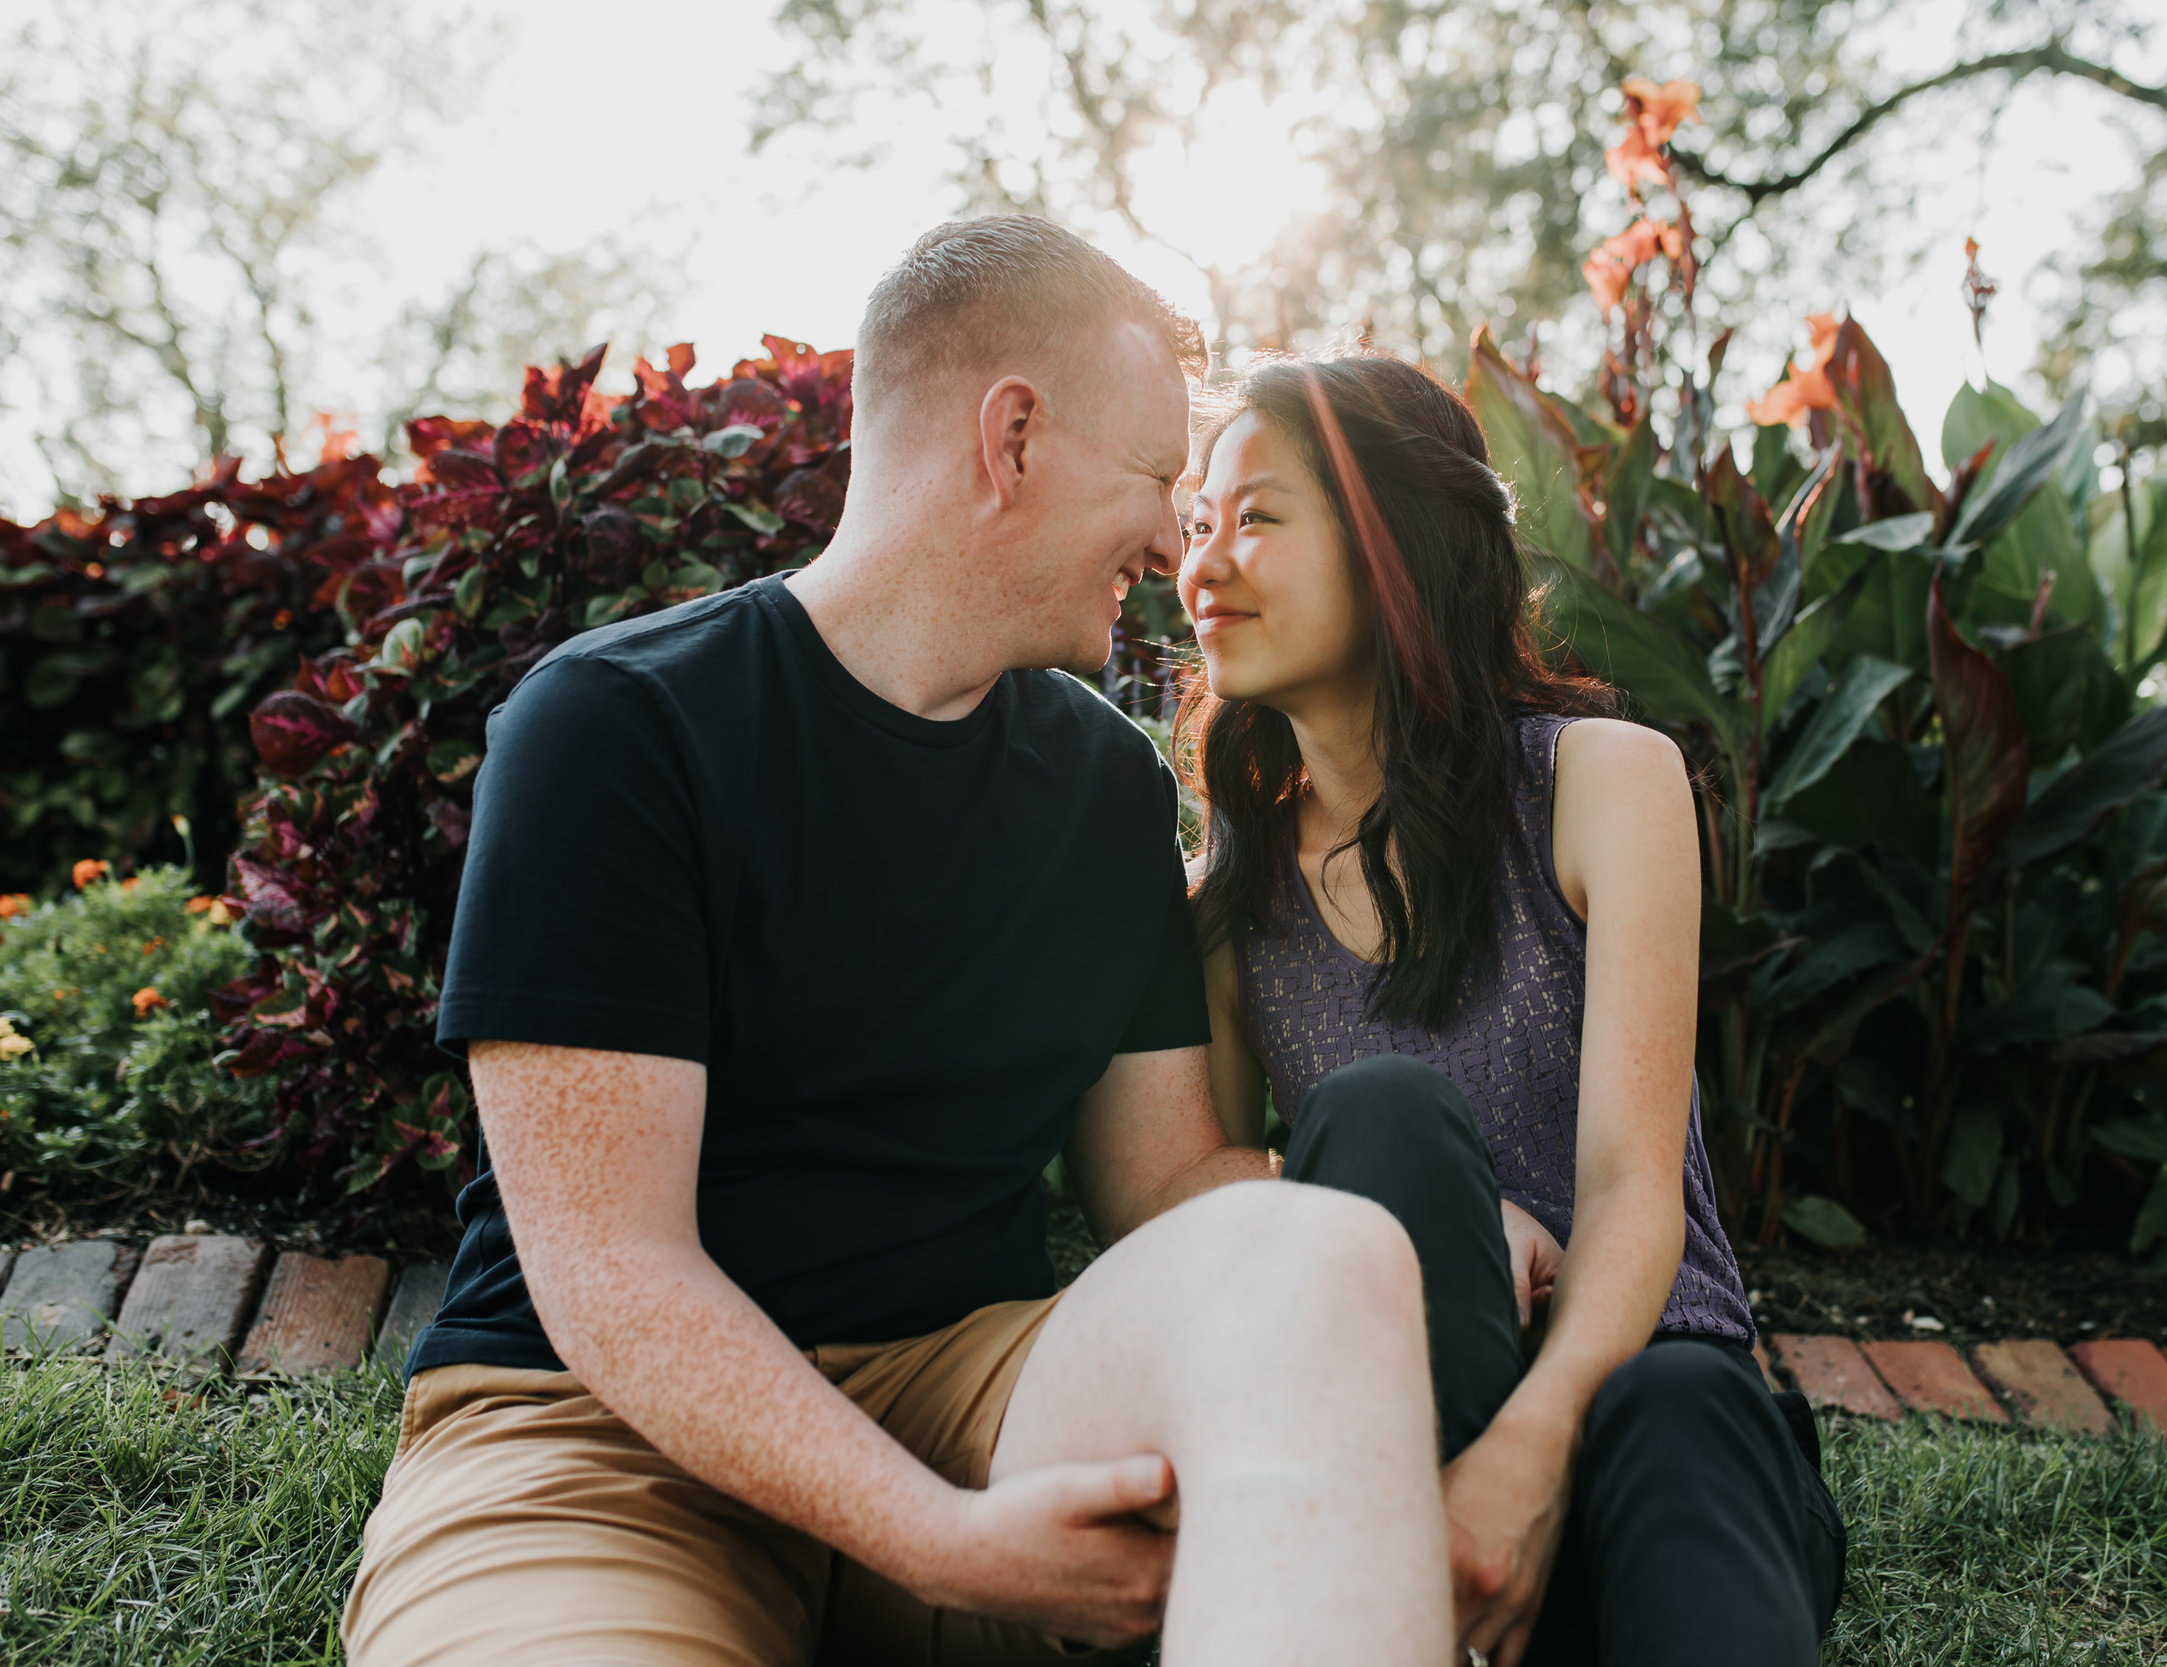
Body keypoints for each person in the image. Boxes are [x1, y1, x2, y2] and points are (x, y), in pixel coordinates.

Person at [341, 220, 1456, 1667]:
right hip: (599, 1437)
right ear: (1013, 438)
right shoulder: (616, 730)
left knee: (1317, 1261)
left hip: (967, 1393)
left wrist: (1408, 1219)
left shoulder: (1108, 788)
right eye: (1159, 483)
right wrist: (946, 1545)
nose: (1178, 543)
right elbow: (617, 1272)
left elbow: (1169, 1181)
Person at [1177, 355, 1847, 1667]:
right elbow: (1188, 1190)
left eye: (1256, 517)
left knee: (1677, 1405)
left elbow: (1632, 1184)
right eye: (1198, 524)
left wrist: (1528, 1457)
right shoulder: (1227, 901)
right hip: (1390, 1476)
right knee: (1381, 1122)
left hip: (1642, 1444)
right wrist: (1441, 1218)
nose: (1204, 565)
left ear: (1398, 547)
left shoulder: (1602, 784)